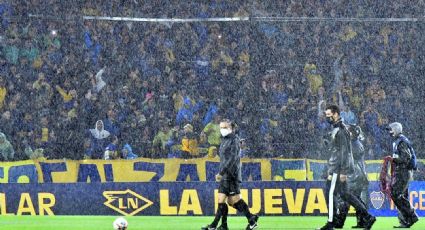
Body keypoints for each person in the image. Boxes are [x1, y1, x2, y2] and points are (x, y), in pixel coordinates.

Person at [318, 105, 375, 230]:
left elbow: (344, 152)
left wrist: (342, 171)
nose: (327, 118)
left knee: (330, 194)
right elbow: (340, 151)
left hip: (337, 169)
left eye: (329, 115)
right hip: (338, 168)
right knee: (345, 194)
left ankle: (331, 223)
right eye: (326, 116)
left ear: (336, 114)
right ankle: (367, 216)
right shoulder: (339, 129)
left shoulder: (341, 130)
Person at [202, 119, 258, 230]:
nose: (222, 129)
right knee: (227, 201)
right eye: (221, 127)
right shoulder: (224, 140)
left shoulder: (234, 140)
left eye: (225, 127)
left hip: (231, 175)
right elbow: (225, 159)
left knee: (230, 201)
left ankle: (249, 221)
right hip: (225, 175)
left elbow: (232, 159)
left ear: (231, 129)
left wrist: (221, 173)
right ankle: (227, 224)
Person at [333, 124, 369, 228]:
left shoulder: (353, 145)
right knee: (356, 199)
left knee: (346, 199)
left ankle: (340, 222)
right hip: (359, 176)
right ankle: (362, 221)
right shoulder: (355, 143)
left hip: (355, 177)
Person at [386, 122, 418, 228]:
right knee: (401, 195)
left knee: (396, 194)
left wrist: (393, 159)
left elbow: (405, 158)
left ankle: (412, 216)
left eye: (391, 130)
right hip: (403, 172)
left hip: (403, 172)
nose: (389, 132)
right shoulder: (400, 140)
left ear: (396, 130)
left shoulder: (401, 141)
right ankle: (407, 220)